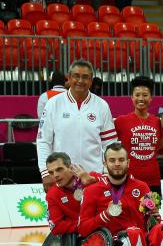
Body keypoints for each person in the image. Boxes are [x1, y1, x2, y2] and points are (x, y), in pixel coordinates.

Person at [78, 143, 163, 246]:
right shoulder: (92, 191)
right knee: (133, 233)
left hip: (141, 239)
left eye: (121, 160)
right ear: (105, 163)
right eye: (112, 160)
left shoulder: (142, 186)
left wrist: (154, 218)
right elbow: (83, 229)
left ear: (128, 162)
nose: (117, 164)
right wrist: (106, 215)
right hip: (112, 244)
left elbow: (152, 222)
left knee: (162, 230)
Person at [37, 61, 117, 192]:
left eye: (85, 77)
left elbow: (110, 144)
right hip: (61, 180)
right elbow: (43, 141)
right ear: (68, 78)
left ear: (91, 80)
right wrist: (46, 173)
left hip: (93, 179)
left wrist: (107, 173)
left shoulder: (102, 105)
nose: (80, 80)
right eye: (76, 76)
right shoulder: (53, 104)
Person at [114, 76, 163, 195]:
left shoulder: (158, 122)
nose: (141, 98)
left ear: (151, 98)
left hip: (153, 180)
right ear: (132, 97)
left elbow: (159, 148)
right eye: (137, 95)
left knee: (152, 213)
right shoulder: (121, 121)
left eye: (145, 95)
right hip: (128, 179)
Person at [44, 152, 100, 234]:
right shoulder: (52, 195)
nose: (55, 175)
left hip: (107, 232)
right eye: (51, 173)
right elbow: (56, 227)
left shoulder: (91, 178)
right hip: (81, 238)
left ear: (71, 168)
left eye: (59, 169)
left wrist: (93, 180)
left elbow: (114, 187)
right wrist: (86, 225)